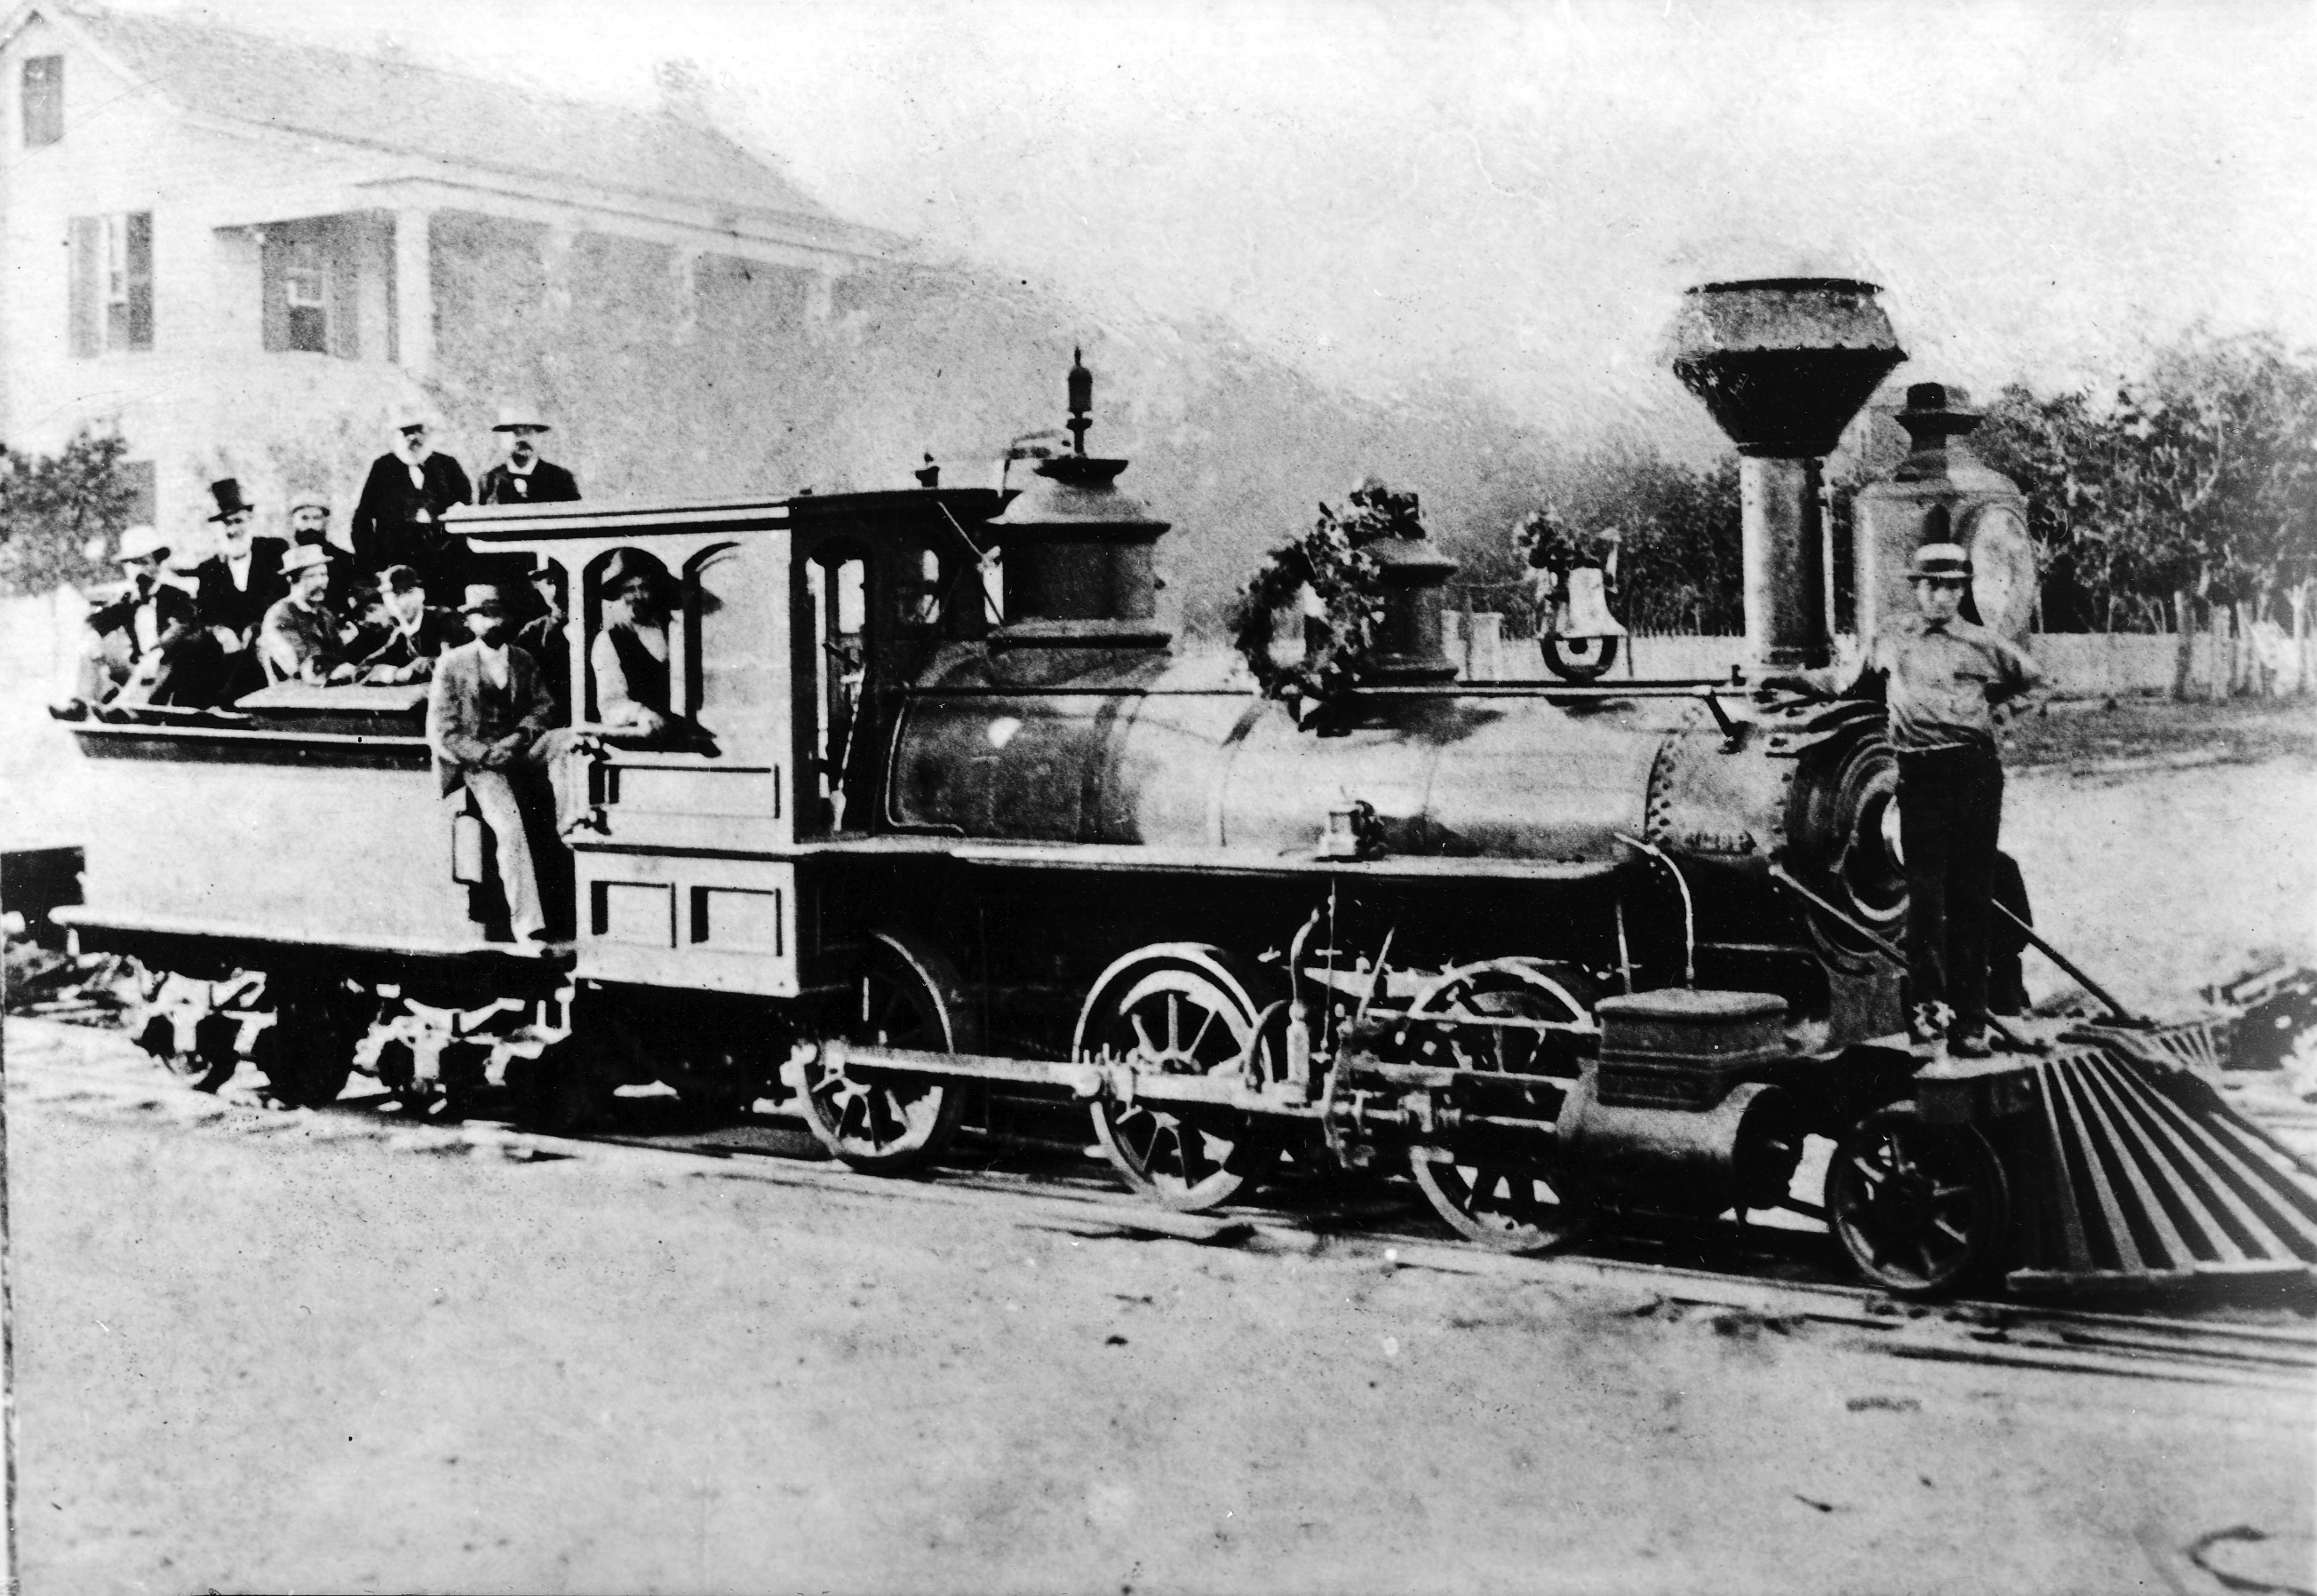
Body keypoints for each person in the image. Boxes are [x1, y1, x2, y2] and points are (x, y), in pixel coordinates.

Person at [1767, 543, 2044, 1058]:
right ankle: (1927, 1021)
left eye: (1953, 587)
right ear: (1916, 589)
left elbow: (2035, 682)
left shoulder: (1983, 642)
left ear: (1963, 591)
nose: (1942, 596)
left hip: (1975, 775)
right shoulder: (1890, 638)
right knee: (1925, 903)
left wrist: (1996, 716)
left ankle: (1971, 1026)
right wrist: (1787, 679)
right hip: (1919, 775)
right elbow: (1841, 682)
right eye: (1932, 586)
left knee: (1971, 900)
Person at [426, 584, 561, 942]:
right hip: (479, 763)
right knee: (510, 830)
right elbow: (443, 730)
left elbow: (544, 707)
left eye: (499, 614)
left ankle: (573, 817)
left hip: (517, 749)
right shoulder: (452, 664)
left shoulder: (522, 659)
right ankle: (528, 924)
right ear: (469, 622)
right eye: (483, 615)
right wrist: (485, 754)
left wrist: (516, 739)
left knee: (566, 740)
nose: (493, 622)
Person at [71, 525, 198, 708]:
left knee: (171, 663)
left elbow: (181, 626)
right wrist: (92, 634)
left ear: (157, 563)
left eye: (143, 562)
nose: (137, 571)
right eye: (130, 564)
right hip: (136, 667)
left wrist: (159, 651)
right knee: (89, 647)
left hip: (164, 667)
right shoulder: (128, 599)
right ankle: (81, 704)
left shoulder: (176, 596)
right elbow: (100, 619)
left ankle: (127, 708)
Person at [185, 478, 287, 704]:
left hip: (268, 628)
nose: (232, 530)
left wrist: (257, 626)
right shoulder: (210, 568)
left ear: (250, 519)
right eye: (226, 524)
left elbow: (280, 596)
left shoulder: (272, 551)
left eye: (238, 521)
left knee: (256, 644)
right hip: (228, 638)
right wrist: (221, 631)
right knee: (196, 648)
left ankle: (228, 703)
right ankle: (192, 709)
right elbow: (205, 613)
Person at [351, 415, 473, 599]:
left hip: (443, 559)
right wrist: (373, 565)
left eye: (419, 430)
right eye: (406, 432)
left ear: (429, 432)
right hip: (397, 559)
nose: (413, 437)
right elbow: (362, 519)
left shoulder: (447, 465)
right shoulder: (383, 467)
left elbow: (465, 507)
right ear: (396, 436)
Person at [592, 549, 676, 735]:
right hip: (642, 736)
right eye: (630, 590)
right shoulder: (609, 640)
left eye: (644, 587)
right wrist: (640, 713)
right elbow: (610, 705)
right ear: (620, 594)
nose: (638, 597)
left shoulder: (674, 630)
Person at [259, 544, 358, 685]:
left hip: (324, 686)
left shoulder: (324, 614)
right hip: (293, 690)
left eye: (323, 574)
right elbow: (301, 663)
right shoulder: (280, 615)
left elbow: (336, 655)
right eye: (311, 576)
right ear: (292, 580)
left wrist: (344, 641)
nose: (321, 582)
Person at [354, 564, 465, 684]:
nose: (400, 601)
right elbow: (376, 661)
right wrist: (362, 669)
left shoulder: (444, 619)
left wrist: (407, 671)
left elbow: (458, 661)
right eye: (394, 594)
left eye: (408, 592)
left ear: (420, 594)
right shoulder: (402, 632)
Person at [477, 403, 581, 506]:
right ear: (503, 439)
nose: (523, 439)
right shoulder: (491, 480)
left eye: (529, 432)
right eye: (516, 432)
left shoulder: (560, 477)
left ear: (538, 436)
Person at [514, 560, 570, 715]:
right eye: (549, 583)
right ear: (538, 587)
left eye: (563, 582)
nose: (556, 591)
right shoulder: (533, 631)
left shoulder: (593, 626)